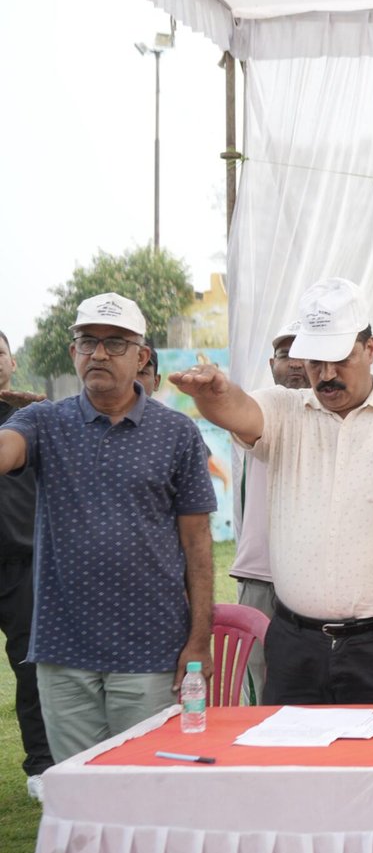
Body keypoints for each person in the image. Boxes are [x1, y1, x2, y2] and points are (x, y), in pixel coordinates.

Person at [170, 278, 373, 704]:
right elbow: (236, 408)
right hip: (295, 646)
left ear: (369, 349)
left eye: (340, 359)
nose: (326, 375)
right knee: (290, 748)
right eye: (315, 361)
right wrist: (212, 393)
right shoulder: (284, 411)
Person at [0, 294, 215, 761]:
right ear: (73, 352)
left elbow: (198, 545)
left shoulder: (177, 433)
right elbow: (6, 451)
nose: (99, 353)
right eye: (87, 341)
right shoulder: (43, 421)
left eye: (115, 343)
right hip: (63, 651)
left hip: (151, 650)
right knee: (78, 785)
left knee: (146, 783)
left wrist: (199, 640)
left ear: (141, 356)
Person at [228, 320, 305, 700]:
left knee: (308, 681)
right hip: (260, 571)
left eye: (304, 353)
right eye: (285, 355)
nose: (295, 363)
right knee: (260, 681)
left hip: (313, 578)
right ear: (272, 364)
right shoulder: (259, 409)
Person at [0, 330, 54, 794]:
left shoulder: (32, 418)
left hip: (21, 565)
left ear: (12, 361)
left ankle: (41, 765)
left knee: (31, 669)